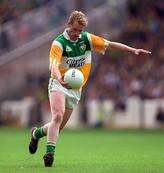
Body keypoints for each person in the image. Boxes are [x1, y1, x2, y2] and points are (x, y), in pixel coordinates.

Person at [28, 10, 151, 167]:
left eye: (80, 31)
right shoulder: (58, 43)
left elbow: (110, 44)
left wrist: (132, 50)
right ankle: (49, 154)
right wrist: (60, 79)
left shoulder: (86, 39)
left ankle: (36, 133)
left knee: (57, 128)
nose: (77, 34)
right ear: (68, 25)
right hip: (59, 83)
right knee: (57, 117)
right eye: (74, 30)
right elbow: (53, 67)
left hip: (75, 89)